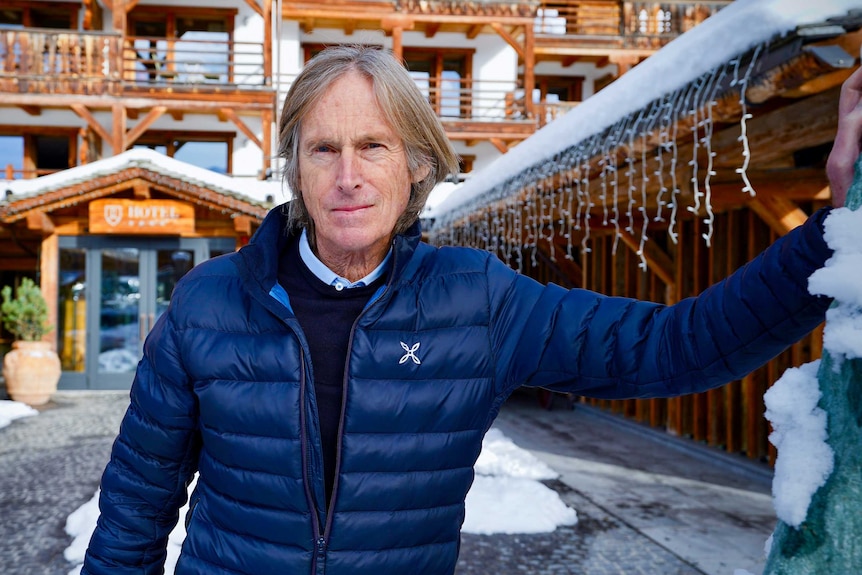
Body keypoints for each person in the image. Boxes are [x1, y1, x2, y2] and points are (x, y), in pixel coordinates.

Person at [82, 45, 862, 575]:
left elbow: (674, 347)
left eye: (374, 147)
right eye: (323, 149)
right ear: (293, 165)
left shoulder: (477, 300)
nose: (347, 175)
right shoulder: (209, 303)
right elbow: (134, 505)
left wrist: (834, 228)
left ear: (417, 164)